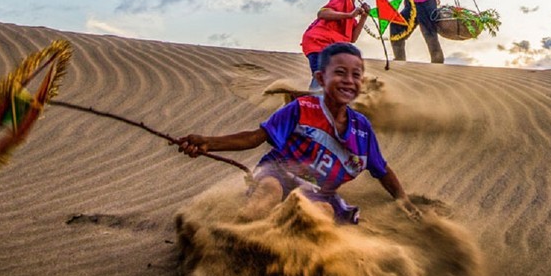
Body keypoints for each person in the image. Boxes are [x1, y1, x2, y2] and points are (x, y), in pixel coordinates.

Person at [177, 42, 421, 224]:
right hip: (278, 173)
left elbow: (382, 170)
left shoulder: (362, 130)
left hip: (316, 193)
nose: (348, 80)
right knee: (269, 192)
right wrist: (207, 143)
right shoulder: (301, 109)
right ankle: (237, 238)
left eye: (356, 75)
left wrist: (403, 200)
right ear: (320, 78)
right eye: (339, 72)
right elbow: (254, 138)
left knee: (322, 215)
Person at [300, 0, 373, 89]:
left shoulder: (351, 8)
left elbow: (352, 38)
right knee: (324, 77)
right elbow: (322, 13)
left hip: (331, 48)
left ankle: (313, 98)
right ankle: (311, 101)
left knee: (331, 77)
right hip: (319, 42)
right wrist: (350, 15)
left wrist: (364, 17)